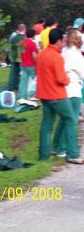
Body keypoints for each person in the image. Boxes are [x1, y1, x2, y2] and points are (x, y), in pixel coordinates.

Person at [36, 28, 84, 164]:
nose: (64, 42)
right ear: (58, 41)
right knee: (70, 120)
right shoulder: (56, 57)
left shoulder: (42, 54)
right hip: (57, 95)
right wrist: (68, 80)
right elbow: (62, 79)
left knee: (47, 124)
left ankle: (44, 155)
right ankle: (73, 154)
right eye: (63, 40)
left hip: (44, 94)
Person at [52, 28, 84, 160]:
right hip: (74, 89)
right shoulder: (76, 55)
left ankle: (57, 145)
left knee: (63, 120)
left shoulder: (63, 52)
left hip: (63, 90)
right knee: (71, 120)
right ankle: (66, 149)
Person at [18, 28, 38, 99]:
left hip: (23, 64)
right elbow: (34, 55)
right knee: (32, 81)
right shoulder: (33, 44)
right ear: (33, 35)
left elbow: (19, 54)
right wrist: (37, 62)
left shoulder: (21, 43)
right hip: (31, 65)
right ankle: (31, 95)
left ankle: (22, 96)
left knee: (23, 81)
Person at [7, 23, 26, 91]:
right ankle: (18, 86)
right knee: (21, 73)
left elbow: (10, 48)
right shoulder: (24, 38)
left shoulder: (14, 37)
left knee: (13, 73)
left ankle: (11, 86)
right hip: (21, 58)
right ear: (24, 29)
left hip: (13, 57)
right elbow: (23, 50)